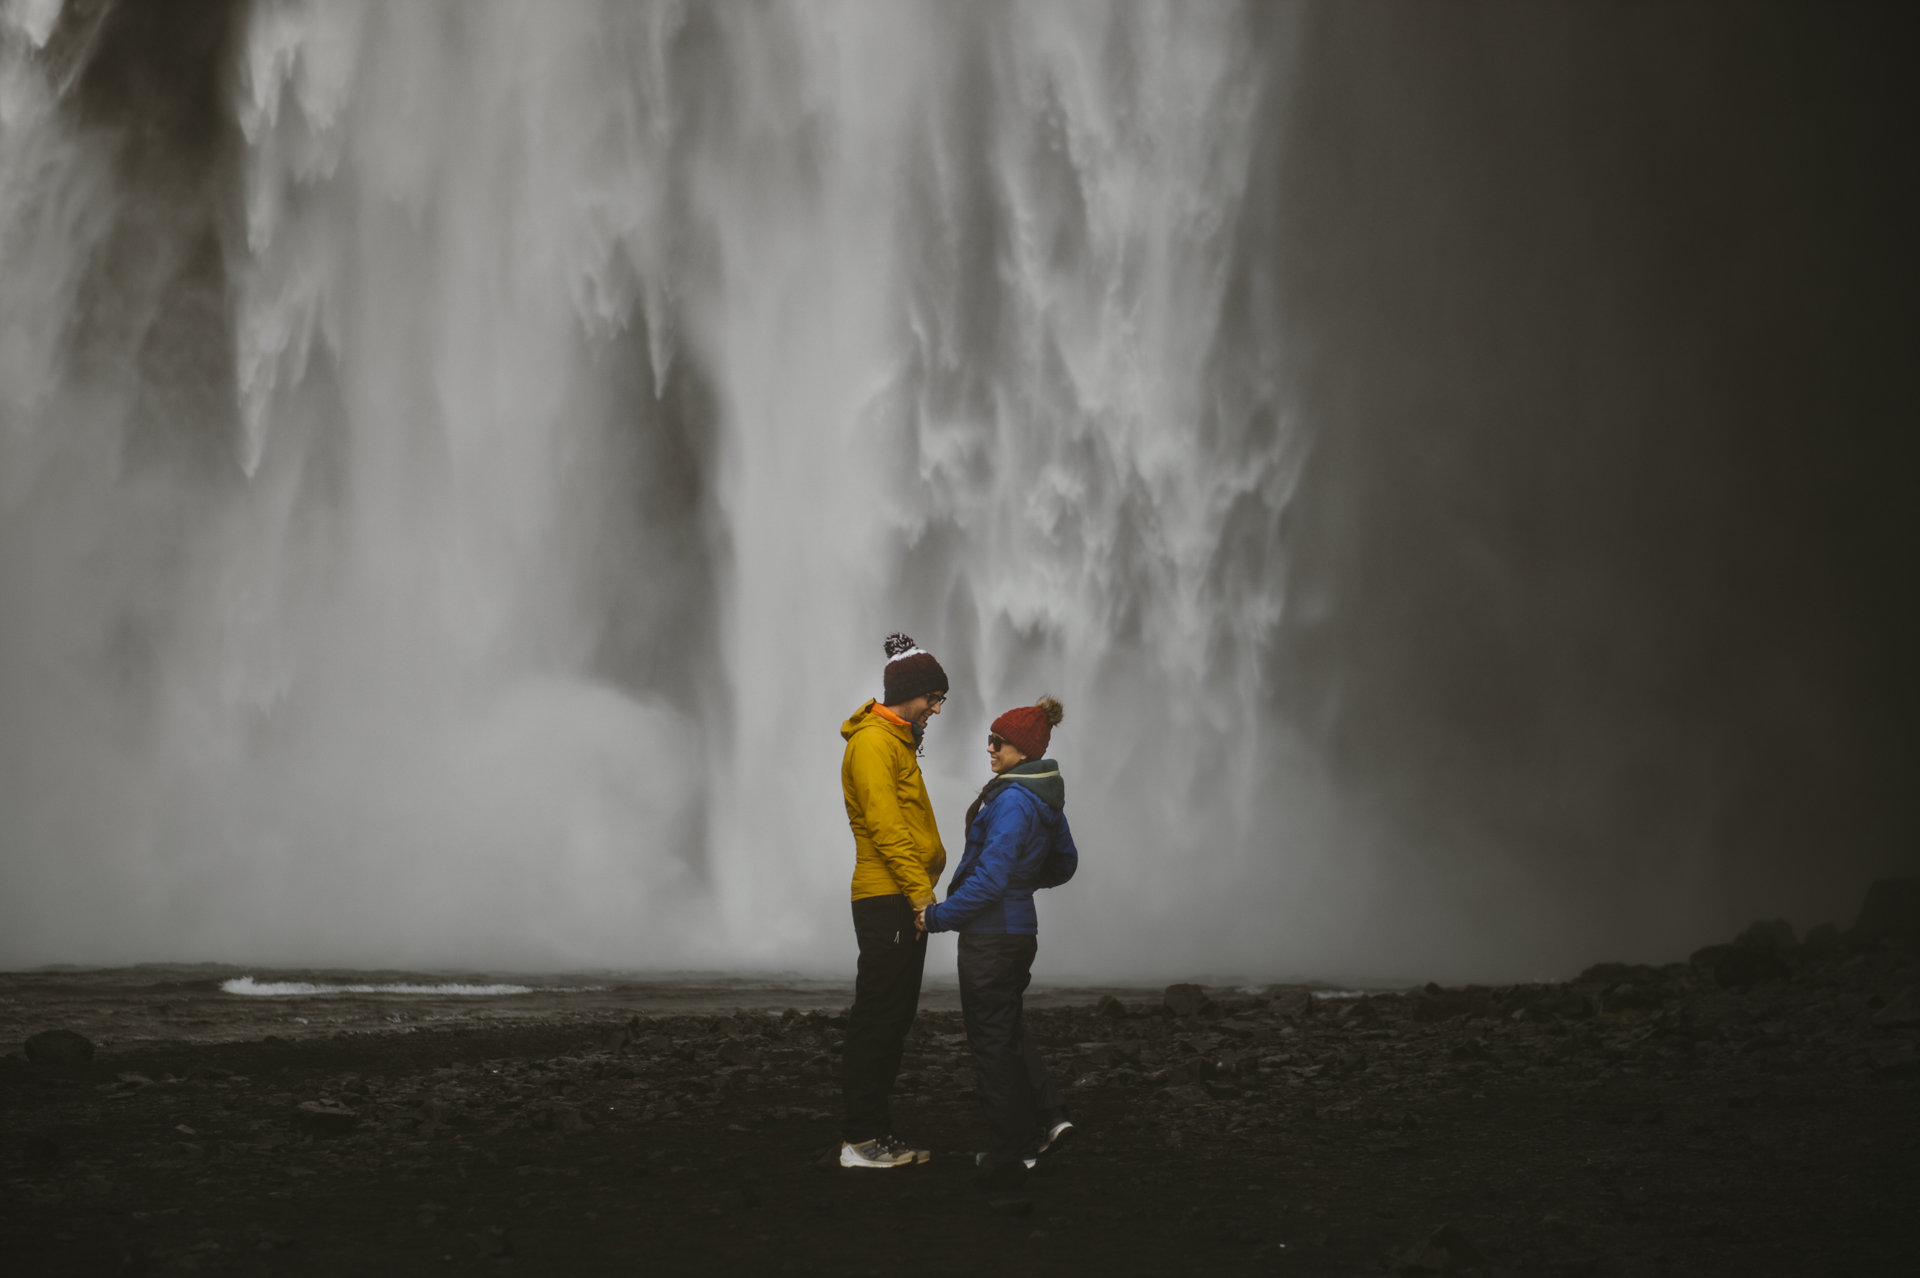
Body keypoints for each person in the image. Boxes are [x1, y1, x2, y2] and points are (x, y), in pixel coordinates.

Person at [918, 695, 1078, 1186]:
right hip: (1018, 932)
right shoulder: (1042, 796)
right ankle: (1051, 1116)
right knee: (1005, 1028)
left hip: (991, 937)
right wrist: (1023, 883)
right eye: (990, 739)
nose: (989, 747)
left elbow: (988, 882)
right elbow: (1065, 863)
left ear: (1022, 748)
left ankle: (1014, 1150)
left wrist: (937, 917)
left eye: (999, 741)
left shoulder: (1011, 799)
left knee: (990, 1042)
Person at [836, 632, 950, 1169]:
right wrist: (923, 898)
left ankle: (875, 1133)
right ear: (911, 692)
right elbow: (887, 829)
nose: (936, 708)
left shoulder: (895, 741)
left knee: (892, 1018)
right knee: (879, 1017)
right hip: (890, 900)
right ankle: (860, 1140)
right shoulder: (873, 744)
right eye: (934, 697)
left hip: (898, 898)